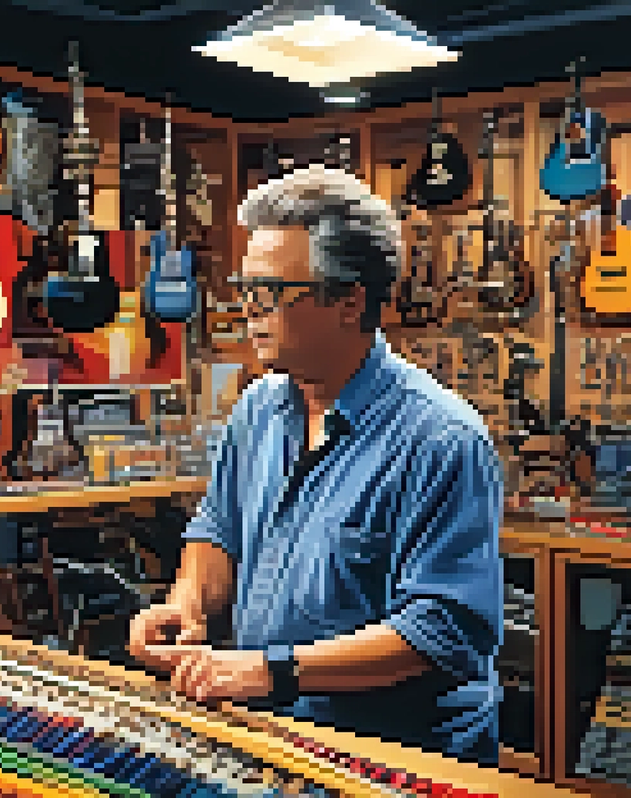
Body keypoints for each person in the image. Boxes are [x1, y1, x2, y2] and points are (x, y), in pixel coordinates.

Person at [128, 164, 504, 765]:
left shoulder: (441, 439)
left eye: (270, 292)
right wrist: (187, 605)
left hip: (396, 756)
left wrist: (270, 672)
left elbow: (441, 631)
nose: (247, 309)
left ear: (350, 301)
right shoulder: (258, 410)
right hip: (276, 736)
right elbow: (217, 531)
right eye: (244, 288)